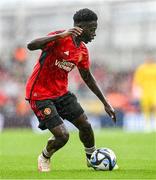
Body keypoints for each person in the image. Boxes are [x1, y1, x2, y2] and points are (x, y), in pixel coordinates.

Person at [25, 8, 116, 172]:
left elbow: (88, 77)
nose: (94, 34)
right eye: (92, 29)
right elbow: (31, 45)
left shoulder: (82, 51)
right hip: (40, 94)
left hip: (61, 93)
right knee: (63, 136)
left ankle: (92, 159)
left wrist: (105, 102)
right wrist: (61, 35)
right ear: (80, 27)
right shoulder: (60, 37)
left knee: (86, 125)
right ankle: (44, 157)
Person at [133, 58, 156, 131]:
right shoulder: (141, 68)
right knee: (146, 108)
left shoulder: (154, 67)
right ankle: (147, 125)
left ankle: (154, 123)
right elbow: (137, 80)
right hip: (145, 91)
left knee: (154, 106)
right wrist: (137, 91)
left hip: (154, 90)